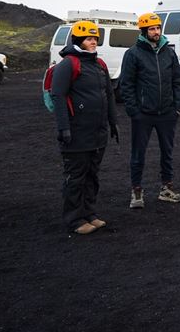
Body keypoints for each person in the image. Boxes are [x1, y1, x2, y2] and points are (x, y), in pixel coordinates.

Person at [50, 21, 119, 235]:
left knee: (92, 175)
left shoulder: (99, 65)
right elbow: (58, 95)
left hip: (97, 132)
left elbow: (108, 95)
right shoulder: (68, 64)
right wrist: (64, 128)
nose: (93, 43)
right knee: (76, 176)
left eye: (95, 39)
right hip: (76, 132)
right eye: (89, 39)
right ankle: (74, 219)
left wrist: (113, 122)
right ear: (78, 40)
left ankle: (89, 213)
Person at [118, 12, 180, 209]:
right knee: (138, 154)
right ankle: (137, 192)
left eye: (157, 28)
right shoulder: (133, 54)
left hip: (167, 113)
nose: (156, 32)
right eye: (152, 29)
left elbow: (177, 81)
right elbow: (126, 85)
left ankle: (166, 189)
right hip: (143, 115)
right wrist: (134, 111)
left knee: (168, 152)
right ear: (143, 31)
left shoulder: (169, 53)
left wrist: (177, 107)